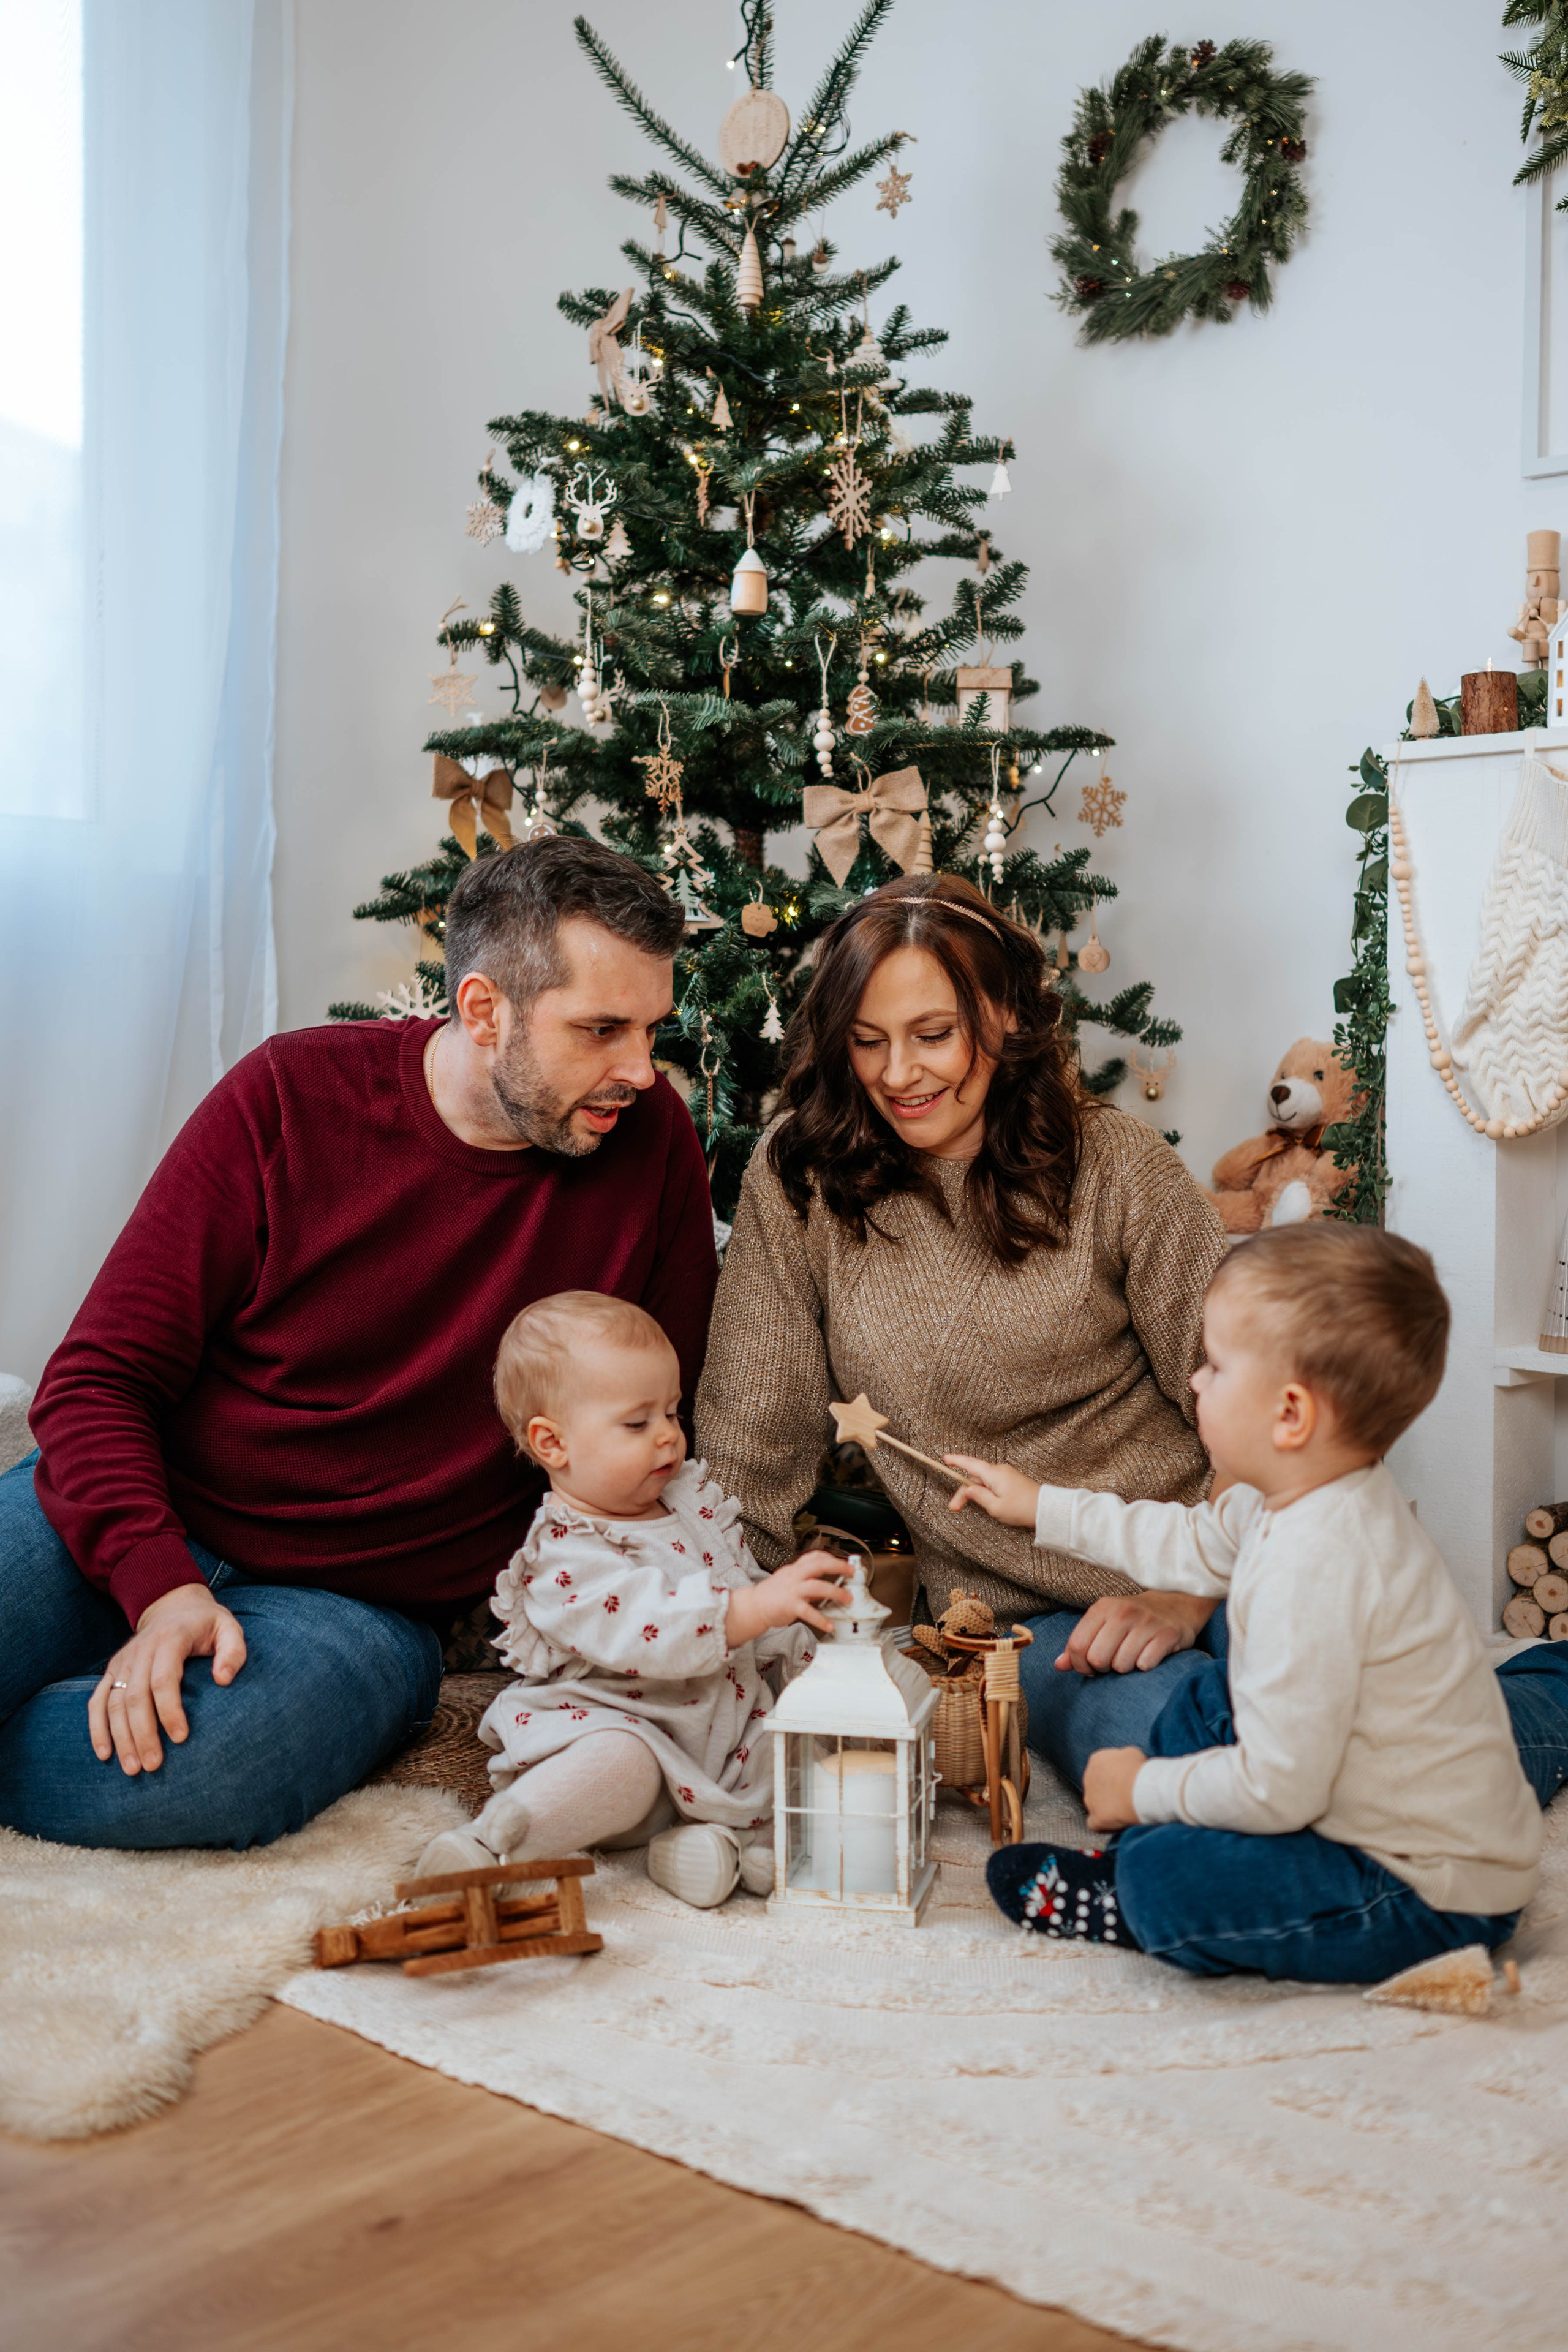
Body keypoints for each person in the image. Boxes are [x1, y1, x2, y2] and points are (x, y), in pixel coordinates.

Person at [3, 836, 718, 1850]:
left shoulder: (651, 1149)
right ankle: (108, 1670)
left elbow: (653, 1424)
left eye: (651, 1029)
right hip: (166, 1500)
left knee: (213, 1773)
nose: (641, 1071)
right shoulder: (288, 1097)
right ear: (483, 1012)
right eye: (601, 1030)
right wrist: (160, 1586)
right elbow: (98, 1380)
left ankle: (82, 1707)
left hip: (359, 1606)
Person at [949, 1224, 1568, 1981]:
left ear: (1290, 1416)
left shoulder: (1318, 1565)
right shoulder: (1302, 1495)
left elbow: (1279, 1789)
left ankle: (1136, 1895)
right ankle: (1160, 1846)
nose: (1196, 1384)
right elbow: (1187, 1543)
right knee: (1206, 1697)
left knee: (1175, 1877)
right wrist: (1042, 1506)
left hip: (1424, 1886)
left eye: (1214, 1366)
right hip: (1354, 1795)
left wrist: (1140, 1789)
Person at [696, 872, 1228, 1663]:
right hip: (1027, 1623)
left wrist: (1182, 1595)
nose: (898, 1074)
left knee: (1357, 1703)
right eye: (867, 1041)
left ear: (1006, 1013)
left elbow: (1278, 1417)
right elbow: (751, 1437)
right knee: (1179, 1741)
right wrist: (727, 1635)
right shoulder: (799, 1177)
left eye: (933, 1034)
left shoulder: (1118, 1167)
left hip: (1210, 1565)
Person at [415, 1291, 847, 1909]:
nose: (669, 1438)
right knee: (624, 1761)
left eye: (673, 1412)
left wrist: (801, 1623)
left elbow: (744, 1590)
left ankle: (697, 1851)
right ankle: (495, 1847)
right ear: (553, 1443)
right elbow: (650, 1628)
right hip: (614, 1725)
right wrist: (750, 1611)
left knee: (795, 1752)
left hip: (716, 1738)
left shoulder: (690, 1504)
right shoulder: (564, 1556)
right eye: (638, 1423)